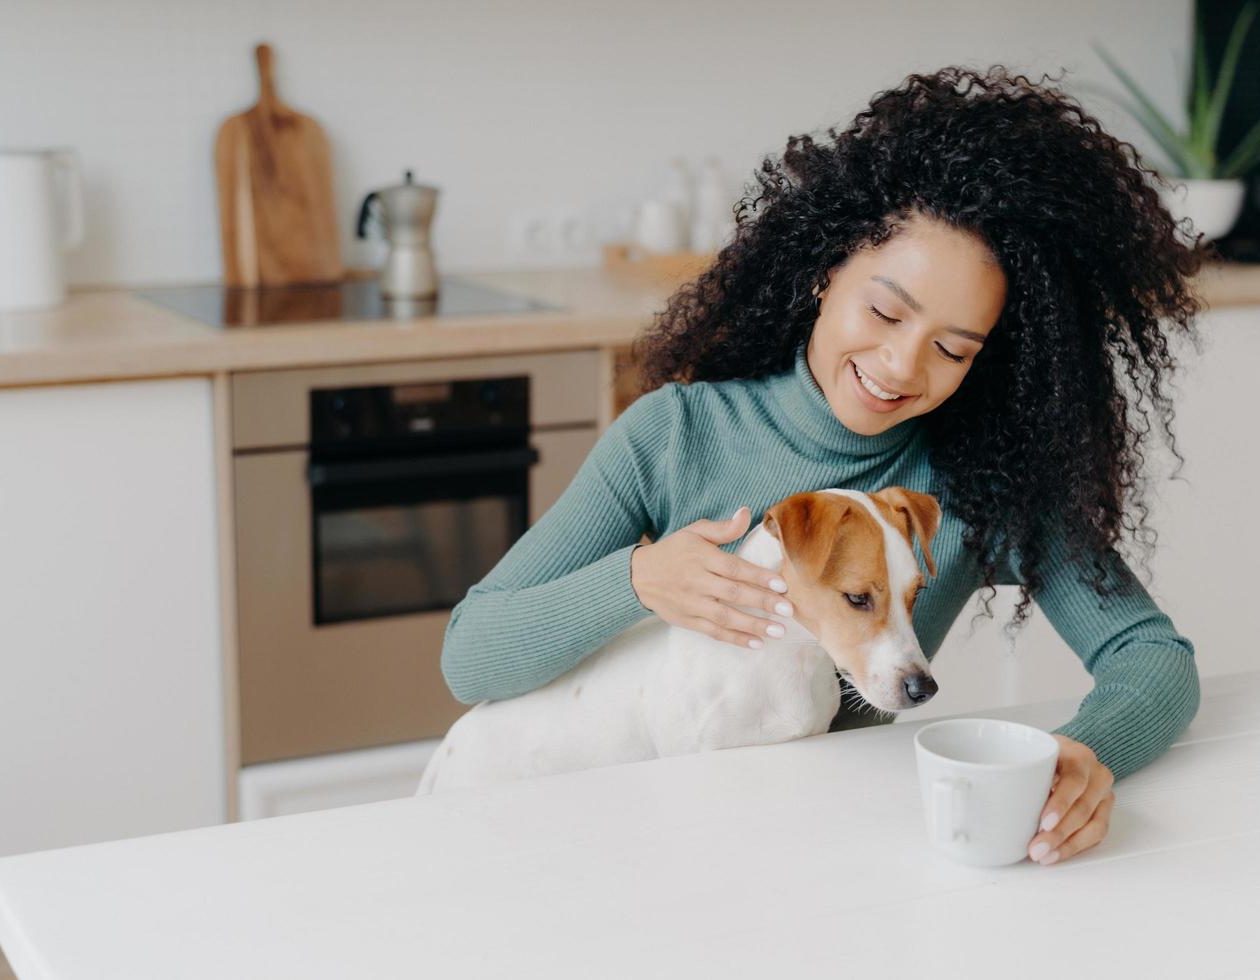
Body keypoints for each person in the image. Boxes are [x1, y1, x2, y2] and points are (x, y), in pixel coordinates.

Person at [440, 65, 1209, 868]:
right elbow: (471, 657)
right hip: (609, 842)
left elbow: (1151, 658)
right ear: (823, 269)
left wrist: (1082, 754)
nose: (901, 365)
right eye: (884, 310)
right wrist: (638, 580)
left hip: (811, 854)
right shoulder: (676, 435)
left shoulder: (986, 484)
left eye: (953, 349)